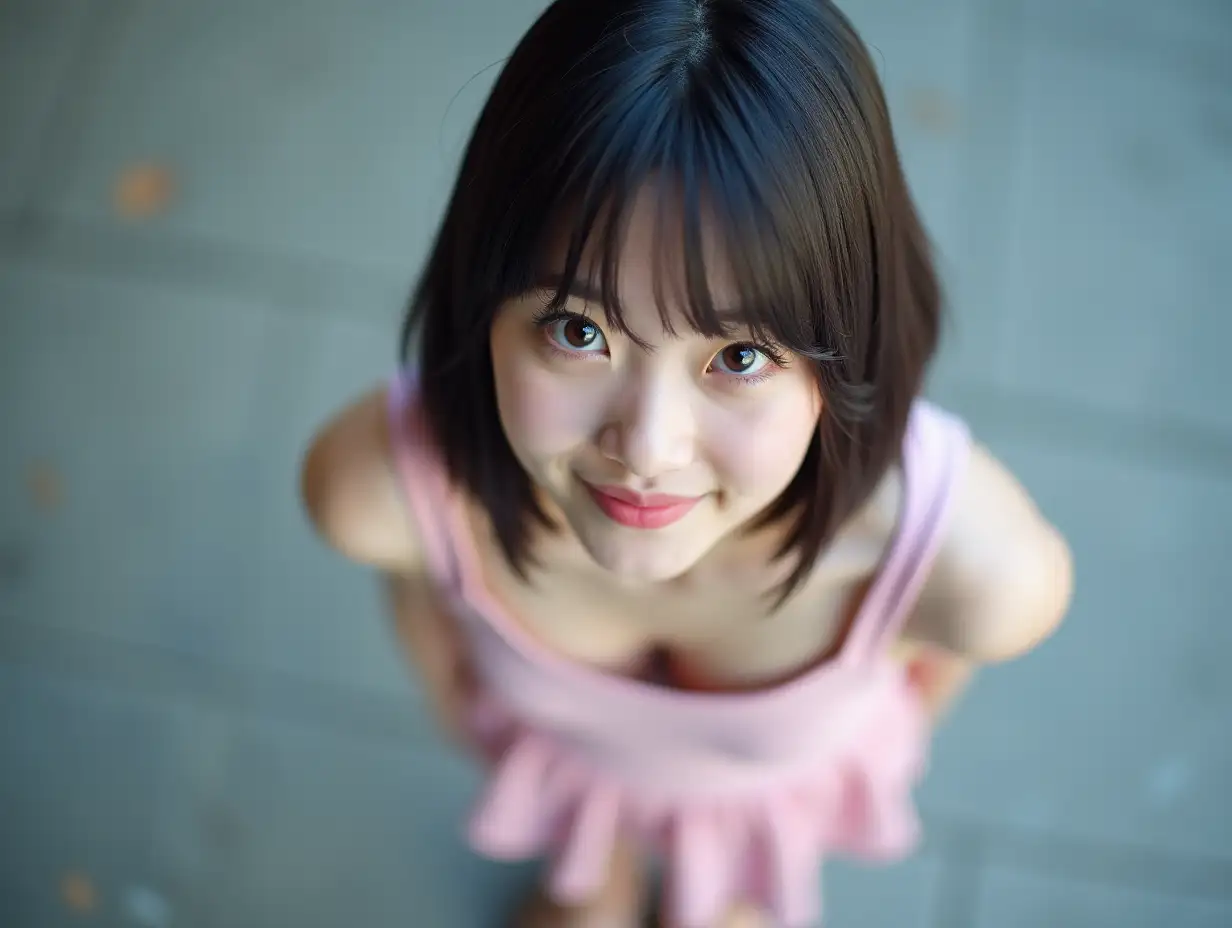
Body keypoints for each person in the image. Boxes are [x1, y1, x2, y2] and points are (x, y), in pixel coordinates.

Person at [300, 1, 1073, 925]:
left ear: (848, 349)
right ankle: (596, 874)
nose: (646, 448)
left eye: (739, 357)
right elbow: (434, 639)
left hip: (757, 820)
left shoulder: (970, 572)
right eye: (577, 331)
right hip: (572, 789)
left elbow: (920, 696)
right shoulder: (385, 492)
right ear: (482, 300)